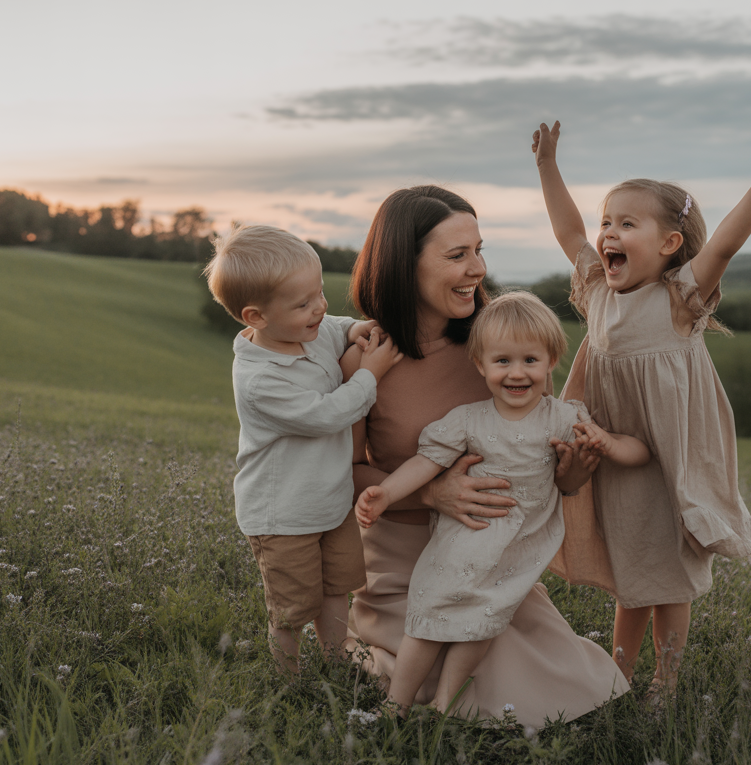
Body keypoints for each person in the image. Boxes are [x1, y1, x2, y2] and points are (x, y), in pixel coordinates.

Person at [532, 121, 751, 696]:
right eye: (607, 221)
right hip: (616, 457)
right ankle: (617, 675)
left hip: (672, 462)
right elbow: (567, 229)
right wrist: (547, 165)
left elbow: (727, 242)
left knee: (671, 580)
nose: (607, 232)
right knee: (634, 576)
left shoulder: (681, 299)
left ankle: (666, 681)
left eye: (627, 223)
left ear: (669, 245)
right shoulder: (599, 294)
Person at [341, 185, 630, 730]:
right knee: (433, 676)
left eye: (479, 249)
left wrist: (569, 476)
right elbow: (346, 470)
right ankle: (373, 643)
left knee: (561, 682)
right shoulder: (367, 355)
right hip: (404, 558)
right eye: (457, 255)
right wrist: (432, 491)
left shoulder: (498, 334)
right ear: (405, 264)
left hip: (495, 553)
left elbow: (534, 452)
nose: (476, 269)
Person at [205, 224, 402, 674]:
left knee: (336, 588)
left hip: (330, 502)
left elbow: (338, 327)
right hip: (283, 515)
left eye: (319, 293)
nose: (320, 308)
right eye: (303, 303)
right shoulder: (260, 380)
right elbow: (327, 415)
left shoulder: (310, 332)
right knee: (293, 608)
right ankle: (288, 678)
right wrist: (369, 373)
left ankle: (334, 662)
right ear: (256, 318)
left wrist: (359, 329)